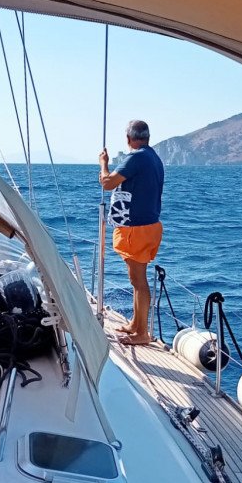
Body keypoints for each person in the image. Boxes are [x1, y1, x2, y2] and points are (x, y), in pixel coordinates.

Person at [98, 119, 165, 345]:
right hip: (148, 226)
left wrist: (103, 163)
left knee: (139, 281)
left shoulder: (136, 157)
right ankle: (136, 325)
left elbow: (107, 183)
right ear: (147, 137)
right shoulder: (153, 158)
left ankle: (141, 333)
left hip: (136, 228)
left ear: (129, 138)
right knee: (137, 279)